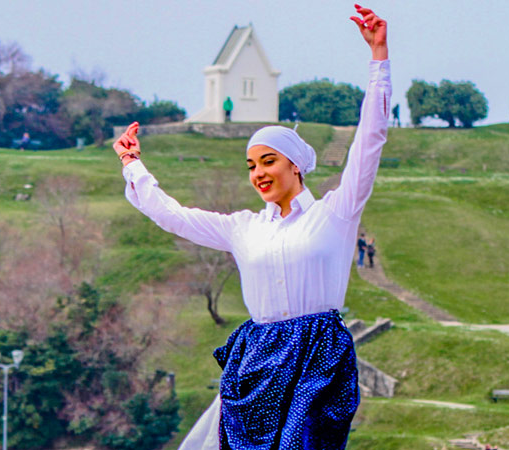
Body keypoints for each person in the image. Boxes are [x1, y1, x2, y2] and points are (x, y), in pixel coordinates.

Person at [113, 5, 390, 449]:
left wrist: (379, 58)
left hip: (317, 357)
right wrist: (132, 164)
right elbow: (172, 215)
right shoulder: (242, 228)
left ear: (295, 166)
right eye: (251, 165)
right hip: (257, 359)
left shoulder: (335, 214)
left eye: (268, 161)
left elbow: (370, 139)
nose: (258, 173)